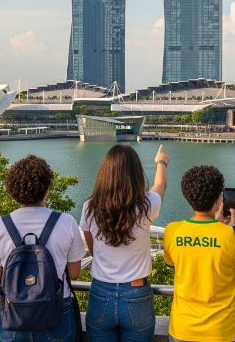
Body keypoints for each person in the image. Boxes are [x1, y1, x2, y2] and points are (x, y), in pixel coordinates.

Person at [0, 155, 86, 342]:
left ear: (13, 191)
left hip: (13, 312)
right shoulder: (66, 222)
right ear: (47, 190)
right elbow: (75, 272)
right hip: (56, 311)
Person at [79, 144, 170, 342]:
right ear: (136, 172)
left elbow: (93, 249)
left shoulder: (89, 206)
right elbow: (160, 185)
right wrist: (161, 162)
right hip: (137, 293)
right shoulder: (147, 204)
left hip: (100, 291)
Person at [163, 165, 235, 342]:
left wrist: (216, 227)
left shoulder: (172, 231)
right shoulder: (233, 235)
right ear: (218, 200)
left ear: (187, 197)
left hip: (183, 328)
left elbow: (174, 262)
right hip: (224, 330)